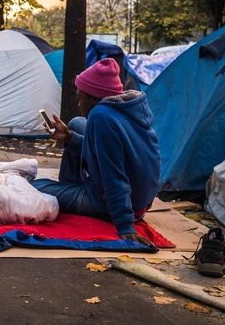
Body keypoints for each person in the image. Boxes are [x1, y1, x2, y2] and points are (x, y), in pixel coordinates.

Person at [31, 58, 161, 245]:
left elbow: (114, 175)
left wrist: (125, 225)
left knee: (34, 187)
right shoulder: (130, 106)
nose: (78, 104)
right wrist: (68, 136)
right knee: (76, 124)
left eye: (79, 98)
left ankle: (75, 196)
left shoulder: (101, 117)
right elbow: (108, 152)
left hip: (113, 206)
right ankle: (72, 188)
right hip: (142, 201)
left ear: (93, 98)